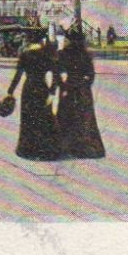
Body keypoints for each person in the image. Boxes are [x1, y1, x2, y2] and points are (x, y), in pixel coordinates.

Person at [1, 30, 61, 161]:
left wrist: (10, 91)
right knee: (44, 118)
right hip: (42, 89)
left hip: (28, 89)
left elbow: (18, 75)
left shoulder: (25, 54)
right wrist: (52, 91)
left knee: (29, 119)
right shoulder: (46, 54)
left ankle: (29, 150)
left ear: (29, 40)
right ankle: (46, 150)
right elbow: (56, 75)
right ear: (41, 40)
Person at [54, 25, 105, 159]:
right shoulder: (85, 54)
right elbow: (91, 75)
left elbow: (57, 73)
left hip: (69, 89)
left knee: (67, 116)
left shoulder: (63, 53)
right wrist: (85, 85)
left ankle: (67, 146)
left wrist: (62, 86)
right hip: (82, 91)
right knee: (84, 118)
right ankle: (84, 147)